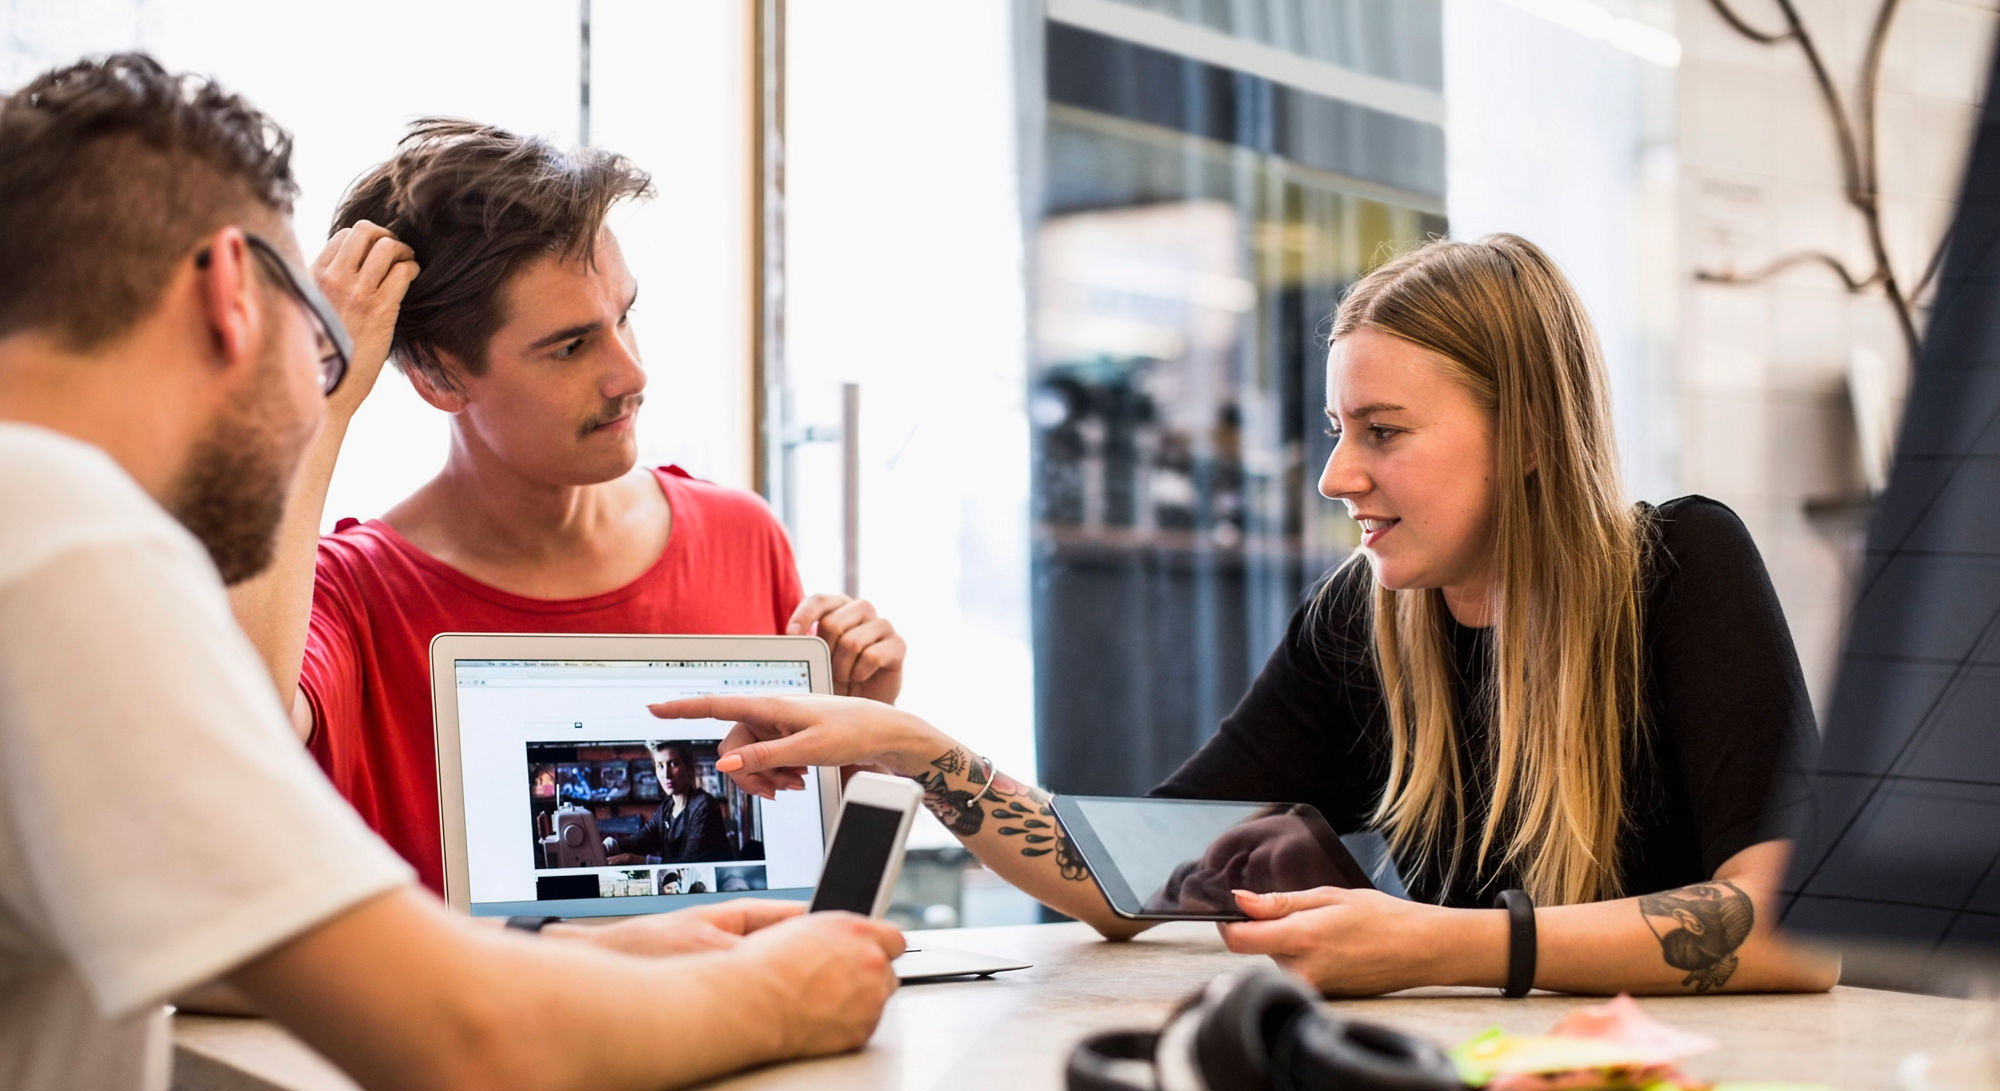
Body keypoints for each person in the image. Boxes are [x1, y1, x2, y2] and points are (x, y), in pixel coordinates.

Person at [0, 55, 902, 1091]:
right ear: (237, 289)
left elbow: (221, 945)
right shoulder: (54, 532)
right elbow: (462, 1050)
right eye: (313, 326)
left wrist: (563, 949)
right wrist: (788, 989)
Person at [655, 235, 1843, 998]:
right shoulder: (1363, 625)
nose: (1335, 479)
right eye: (1336, 431)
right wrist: (916, 756)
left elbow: (1796, 923)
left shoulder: (1679, 566)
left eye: (1382, 433)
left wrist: (1442, 943)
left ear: (1527, 436)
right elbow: (1127, 884)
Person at [226, 118, 909, 893]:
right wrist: (314, 399)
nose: (631, 374)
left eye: (624, 317)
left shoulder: (739, 535)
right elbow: (234, 743)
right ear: (442, 379)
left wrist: (863, 734)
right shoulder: (347, 596)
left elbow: (809, 889)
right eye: (572, 346)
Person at [609, 742, 733, 864]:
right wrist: (608, 846)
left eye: (673, 764)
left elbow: (688, 865)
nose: (666, 775)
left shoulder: (703, 806)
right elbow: (640, 841)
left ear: (688, 767)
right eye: (660, 766)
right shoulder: (666, 809)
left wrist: (633, 859)